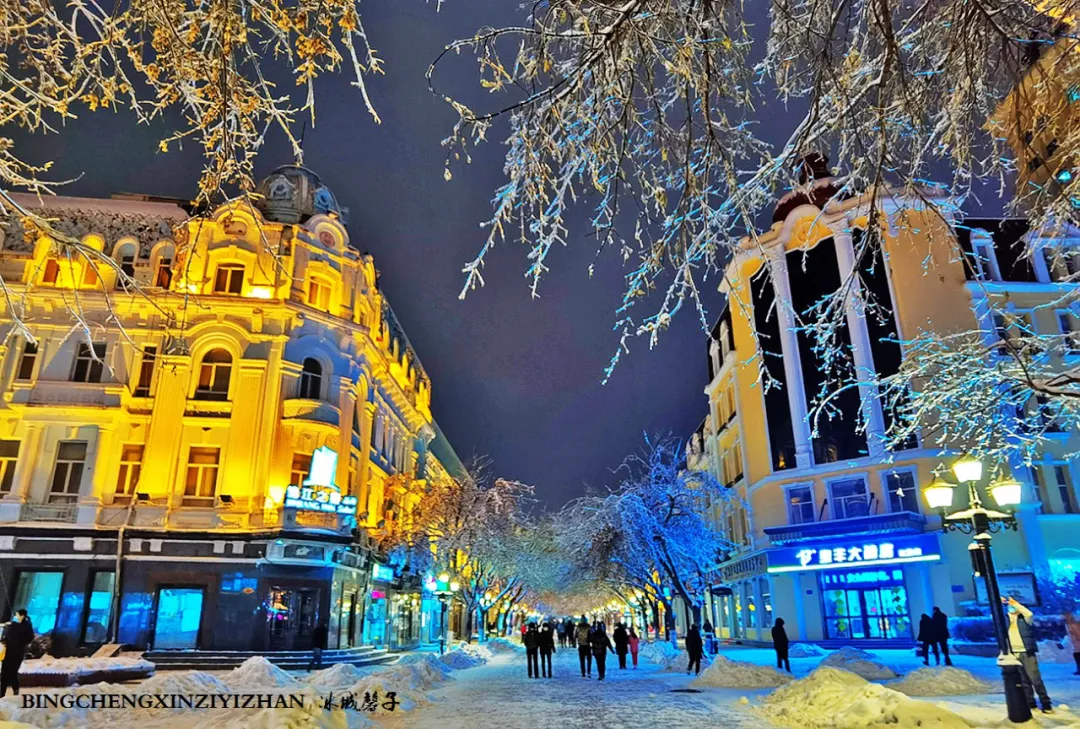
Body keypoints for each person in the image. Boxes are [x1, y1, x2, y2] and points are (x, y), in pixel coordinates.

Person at [1005, 596, 1051, 713]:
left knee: (1035, 679)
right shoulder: (1006, 620)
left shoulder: (1024, 618)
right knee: (1023, 681)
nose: (1011, 608)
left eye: (1013, 606)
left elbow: (1029, 613)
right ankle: (1030, 702)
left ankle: (1045, 703)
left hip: (1027, 652)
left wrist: (1015, 603)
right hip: (1014, 654)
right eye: (1009, 606)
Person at [0, 610, 34, 697]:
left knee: (12, 672)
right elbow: (6, 636)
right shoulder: (12, 625)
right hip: (9, 652)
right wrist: (4, 641)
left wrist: (20, 642)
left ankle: (15, 688)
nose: (16, 616)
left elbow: (29, 638)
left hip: (17, 653)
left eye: (18, 615)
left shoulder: (26, 626)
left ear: (22, 616)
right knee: (4, 672)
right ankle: (2, 692)